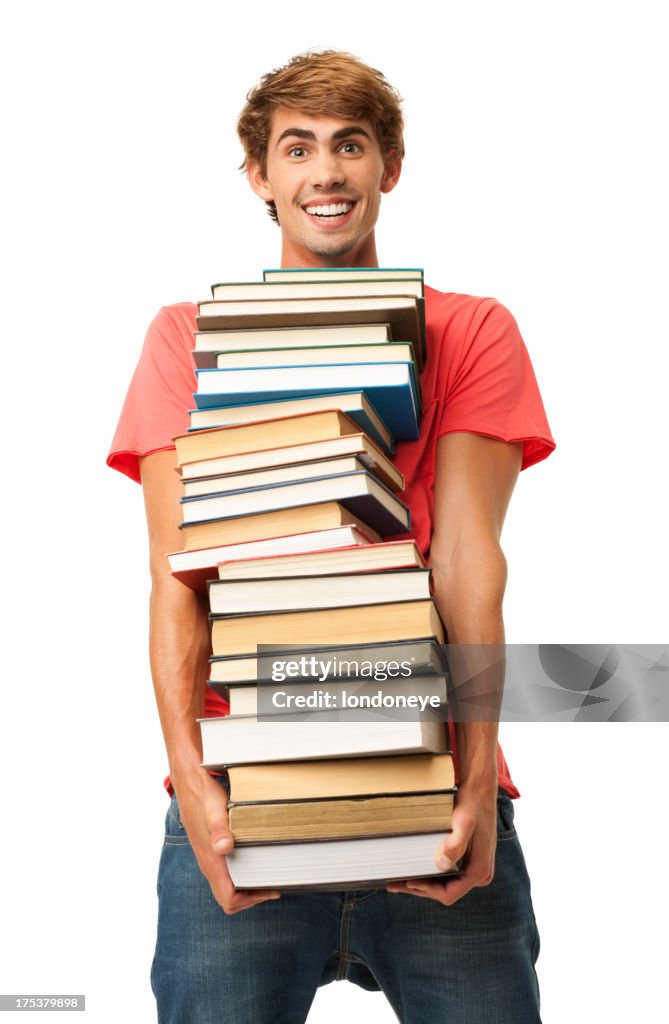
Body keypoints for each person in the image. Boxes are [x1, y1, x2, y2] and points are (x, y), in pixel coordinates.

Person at [108, 49, 554, 1024]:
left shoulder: (471, 329)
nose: (326, 172)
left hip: (436, 792)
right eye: (297, 147)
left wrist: (476, 781)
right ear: (260, 177)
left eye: (351, 145)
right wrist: (193, 790)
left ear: (390, 166)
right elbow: (175, 577)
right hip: (238, 794)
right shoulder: (187, 338)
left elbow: (470, 563)